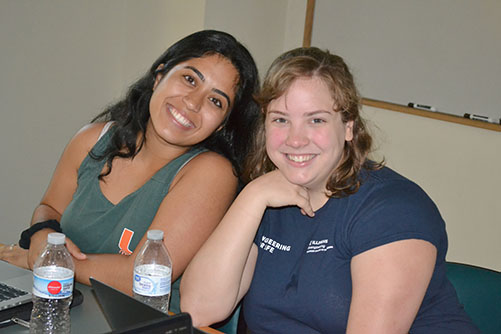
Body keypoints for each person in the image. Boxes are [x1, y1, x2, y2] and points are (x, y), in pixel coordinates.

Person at [179, 47, 479, 333]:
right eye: (281, 119)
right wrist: (251, 198)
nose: (295, 140)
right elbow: (199, 309)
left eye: (316, 120)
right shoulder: (267, 196)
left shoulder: (393, 209)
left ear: (348, 126)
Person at [0, 29, 260, 313]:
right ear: (159, 75)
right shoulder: (93, 139)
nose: (192, 102)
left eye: (216, 101)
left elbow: (138, 276)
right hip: (58, 308)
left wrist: (46, 261)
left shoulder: (213, 172)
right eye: (189, 79)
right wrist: (42, 232)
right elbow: (50, 207)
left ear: (222, 124)